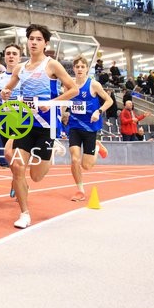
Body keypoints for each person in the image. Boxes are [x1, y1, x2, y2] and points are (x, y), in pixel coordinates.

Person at [0, 24, 79, 229]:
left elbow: (74, 90)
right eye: (31, 38)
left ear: (45, 43)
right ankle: (24, 213)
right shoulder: (20, 68)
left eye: (38, 39)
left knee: (36, 176)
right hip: (24, 124)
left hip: (46, 125)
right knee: (17, 166)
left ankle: (49, 153)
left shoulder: (52, 65)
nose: (33, 42)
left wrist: (52, 103)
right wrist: (5, 93)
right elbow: (7, 90)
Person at [63, 55, 112, 202]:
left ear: (86, 69)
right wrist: (61, 114)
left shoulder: (94, 85)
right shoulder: (69, 85)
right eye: (77, 67)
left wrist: (99, 111)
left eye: (82, 67)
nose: (79, 69)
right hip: (74, 126)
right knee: (75, 159)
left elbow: (109, 100)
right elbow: (65, 101)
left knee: (87, 165)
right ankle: (80, 190)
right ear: (73, 69)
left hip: (90, 128)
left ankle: (96, 147)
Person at [0, 44, 22, 167]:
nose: (11, 56)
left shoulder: (25, 78)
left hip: (21, 117)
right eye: (8, 54)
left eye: (14, 54)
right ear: (4, 58)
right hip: (4, 116)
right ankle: (4, 162)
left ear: (20, 58)